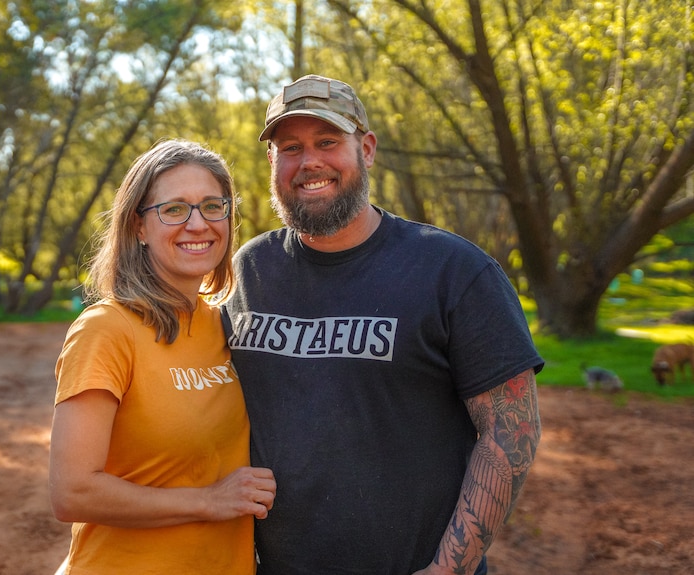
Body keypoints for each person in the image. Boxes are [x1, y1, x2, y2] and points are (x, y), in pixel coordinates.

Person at [222, 75, 543, 575]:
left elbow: (510, 429)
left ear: (366, 149)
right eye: (291, 148)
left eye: (328, 142)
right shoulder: (247, 271)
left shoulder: (454, 271)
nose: (310, 162)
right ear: (272, 162)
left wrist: (449, 569)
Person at [50, 139, 277, 574]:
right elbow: (72, 492)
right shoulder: (107, 329)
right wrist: (210, 500)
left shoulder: (226, 326)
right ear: (138, 227)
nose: (198, 224)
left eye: (213, 206)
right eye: (174, 209)